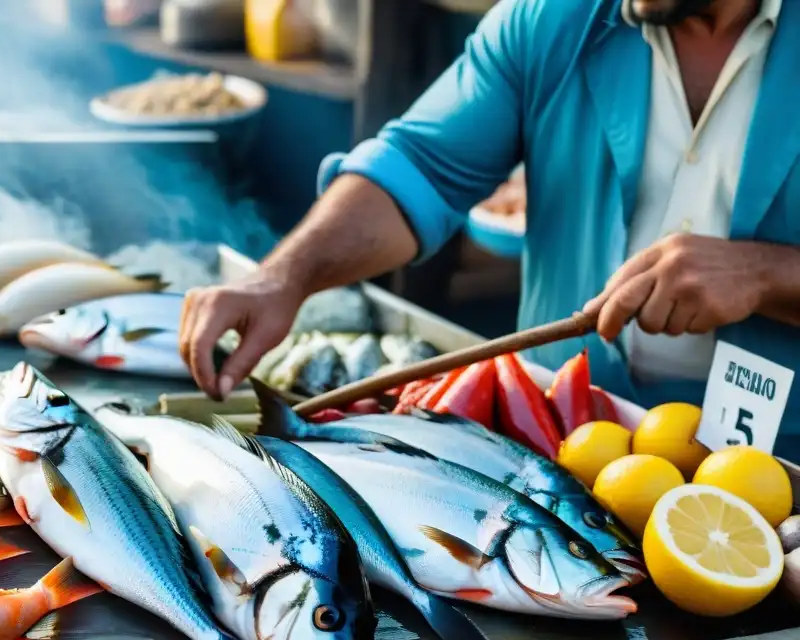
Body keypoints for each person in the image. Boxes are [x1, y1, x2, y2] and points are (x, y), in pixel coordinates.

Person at [179, 0, 800, 460]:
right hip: (559, 445)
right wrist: (282, 278)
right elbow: (420, 167)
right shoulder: (553, 18)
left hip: (780, 476)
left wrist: (768, 275)